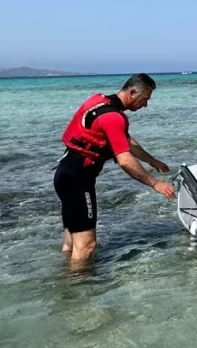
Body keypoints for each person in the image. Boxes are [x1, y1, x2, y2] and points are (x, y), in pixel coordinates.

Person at [54, 73, 176, 265]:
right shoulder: (114, 117)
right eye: (145, 99)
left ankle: (67, 278)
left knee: (72, 243)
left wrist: (152, 161)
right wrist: (155, 183)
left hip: (65, 174)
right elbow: (125, 160)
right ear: (133, 92)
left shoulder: (99, 101)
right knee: (87, 245)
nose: (145, 105)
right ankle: (77, 290)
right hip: (79, 181)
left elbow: (125, 141)